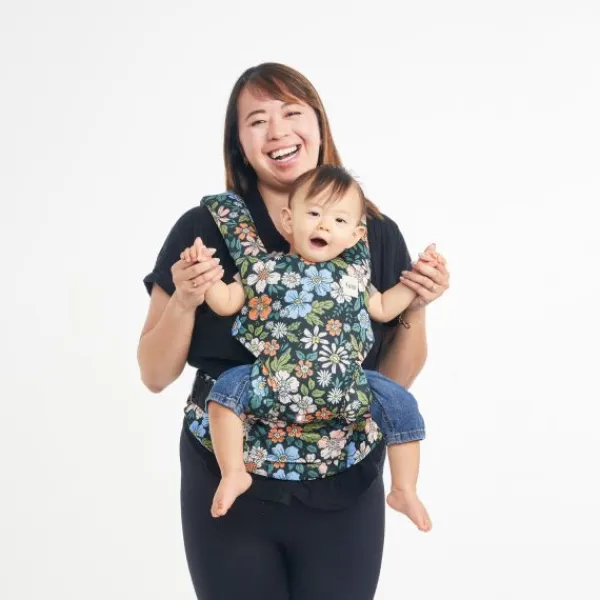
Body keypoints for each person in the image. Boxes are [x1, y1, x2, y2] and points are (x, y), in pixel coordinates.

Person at [139, 62, 449, 600]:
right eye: (257, 120)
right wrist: (187, 298)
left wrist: (416, 305)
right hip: (227, 475)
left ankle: (406, 488)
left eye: (291, 113)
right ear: (239, 143)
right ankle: (235, 470)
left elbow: (394, 378)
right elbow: (154, 374)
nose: (277, 131)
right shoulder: (204, 230)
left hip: (344, 474)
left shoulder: (372, 233)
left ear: (319, 124)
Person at [182, 164, 433, 532]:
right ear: (288, 220)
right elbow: (225, 302)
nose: (324, 226)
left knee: (402, 405)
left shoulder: (355, 276)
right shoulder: (262, 269)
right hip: (268, 378)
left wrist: (416, 284)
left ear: (355, 235)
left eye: (338, 220)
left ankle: (403, 489)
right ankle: (233, 471)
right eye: (313, 214)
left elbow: (383, 308)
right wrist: (203, 273)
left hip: (347, 383)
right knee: (223, 396)